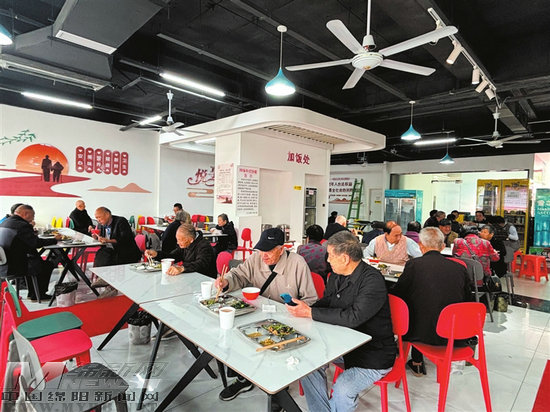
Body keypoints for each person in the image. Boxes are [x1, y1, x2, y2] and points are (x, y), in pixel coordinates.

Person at [288, 231, 396, 412]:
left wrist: (311, 313)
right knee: (308, 367)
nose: (328, 260)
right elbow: (328, 301)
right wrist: (305, 309)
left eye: (330, 255)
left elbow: (353, 317)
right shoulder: (337, 275)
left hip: (372, 353)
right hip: (342, 344)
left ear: (345, 258)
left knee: (343, 389)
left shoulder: (372, 280)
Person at [214, 228, 317, 402]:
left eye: (268, 251)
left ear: (281, 249)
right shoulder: (256, 258)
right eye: (261, 250)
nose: (263, 255)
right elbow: (238, 275)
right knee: (236, 335)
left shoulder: (297, 263)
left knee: (277, 351)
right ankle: (243, 379)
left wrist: (300, 310)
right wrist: (225, 281)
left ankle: (279, 391)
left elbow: (311, 299)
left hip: (287, 320)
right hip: (257, 314)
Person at [390, 227, 471, 376]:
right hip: (453, 332)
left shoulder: (414, 265)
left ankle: (416, 362)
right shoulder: (460, 268)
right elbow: (468, 300)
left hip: (419, 332)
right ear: (442, 246)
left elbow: (399, 293)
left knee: (413, 307)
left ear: (420, 245)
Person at [0, 205, 62, 300]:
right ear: (26, 214)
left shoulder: (5, 222)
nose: (33, 218)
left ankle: (32, 293)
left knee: (35, 260)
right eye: (33, 215)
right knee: (46, 265)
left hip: (4, 263)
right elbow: (36, 243)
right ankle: (37, 295)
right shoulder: (22, 225)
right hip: (14, 266)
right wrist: (54, 239)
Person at [147, 223, 216, 278]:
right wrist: (156, 254)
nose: (177, 242)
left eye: (180, 240)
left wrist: (182, 268)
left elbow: (201, 264)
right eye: (177, 239)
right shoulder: (185, 244)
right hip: (190, 277)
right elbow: (172, 256)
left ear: (191, 240)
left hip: (204, 279)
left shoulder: (204, 246)